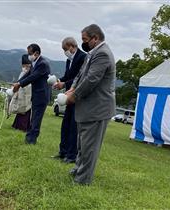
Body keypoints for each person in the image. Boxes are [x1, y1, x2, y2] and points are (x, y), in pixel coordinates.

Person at [66, 24, 116, 184]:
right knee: (82, 143)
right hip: (88, 108)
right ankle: (78, 169)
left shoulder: (103, 54)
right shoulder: (92, 53)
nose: (84, 43)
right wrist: (72, 88)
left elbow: (92, 79)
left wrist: (75, 95)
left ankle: (82, 179)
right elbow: (81, 75)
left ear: (95, 38)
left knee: (89, 147)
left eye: (85, 40)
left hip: (97, 109)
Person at [52, 37, 86, 163]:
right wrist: (59, 81)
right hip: (68, 96)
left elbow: (80, 78)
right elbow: (68, 76)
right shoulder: (68, 60)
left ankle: (72, 155)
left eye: (65, 49)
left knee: (73, 126)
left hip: (77, 96)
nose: (65, 52)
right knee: (65, 124)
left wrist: (65, 84)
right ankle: (63, 151)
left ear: (72, 46)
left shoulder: (83, 58)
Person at [13, 44, 51, 144]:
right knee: (33, 117)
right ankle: (29, 138)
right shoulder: (35, 63)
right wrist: (18, 82)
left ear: (36, 53)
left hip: (41, 96)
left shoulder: (42, 64)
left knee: (36, 119)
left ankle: (31, 140)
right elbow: (28, 74)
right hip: (36, 95)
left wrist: (20, 84)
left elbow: (33, 77)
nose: (29, 56)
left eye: (30, 53)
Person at [10, 54, 32, 132]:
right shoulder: (23, 72)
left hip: (27, 92)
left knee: (25, 109)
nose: (25, 68)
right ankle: (17, 125)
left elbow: (28, 82)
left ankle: (23, 127)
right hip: (21, 91)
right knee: (21, 108)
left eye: (27, 66)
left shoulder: (30, 72)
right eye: (24, 66)